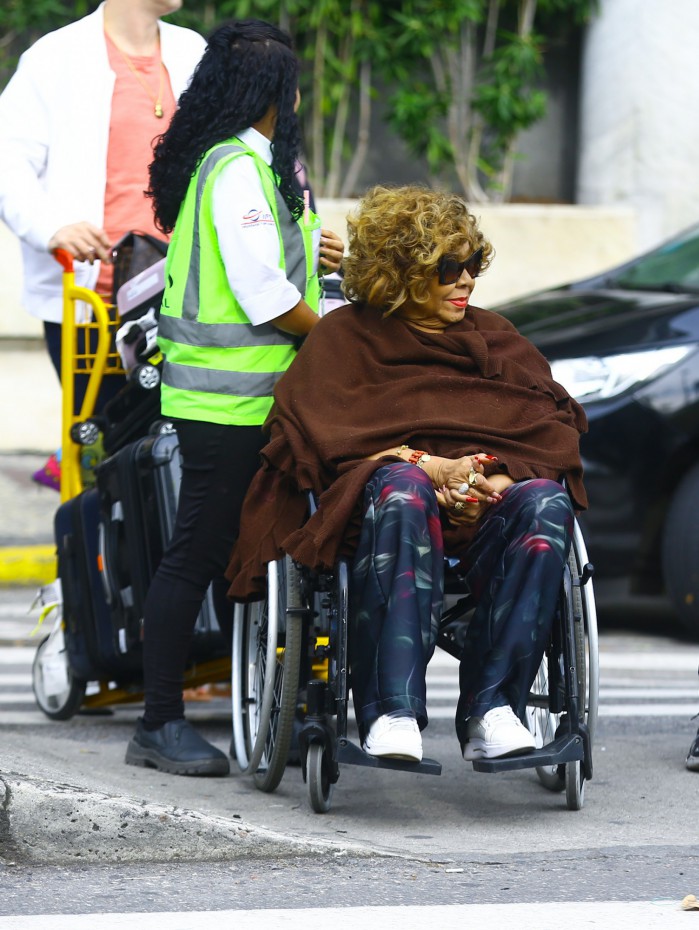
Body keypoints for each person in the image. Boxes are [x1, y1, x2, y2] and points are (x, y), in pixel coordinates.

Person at [227, 184, 587, 764]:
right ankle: (392, 712)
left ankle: (494, 709)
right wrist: (428, 465)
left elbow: (553, 428)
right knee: (405, 490)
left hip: (483, 517)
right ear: (403, 271)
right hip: (385, 517)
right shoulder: (343, 340)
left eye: (472, 265)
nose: (467, 280)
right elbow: (326, 440)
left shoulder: (496, 338)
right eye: (449, 268)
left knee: (545, 502)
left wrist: (494, 480)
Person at [124, 19, 344, 776]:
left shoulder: (232, 164)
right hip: (226, 408)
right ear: (274, 93)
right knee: (198, 555)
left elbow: (258, 256)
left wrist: (311, 241)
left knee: (257, 548)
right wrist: (338, 344)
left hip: (249, 401)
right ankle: (157, 725)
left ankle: (293, 701)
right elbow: (261, 295)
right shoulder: (238, 170)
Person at [0, 0, 206, 488]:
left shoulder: (192, 50)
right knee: (103, 458)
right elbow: (8, 161)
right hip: (95, 301)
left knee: (179, 456)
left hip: (186, 298)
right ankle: (87, 561)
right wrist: (51, 227)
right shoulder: (56, 56)